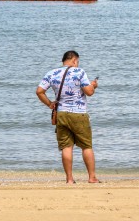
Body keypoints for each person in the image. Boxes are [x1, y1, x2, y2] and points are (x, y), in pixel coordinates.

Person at [36, 50, 99, 184]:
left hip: (61, 114)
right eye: (77, 62)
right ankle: (92, 177)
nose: (77, 64)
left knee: (66, 147)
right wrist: (93, 85)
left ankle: (69, 179)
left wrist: (50, 104)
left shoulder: (52, 73)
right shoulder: (80, 72)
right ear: (74, 60)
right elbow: (89, 92)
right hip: (78, 113)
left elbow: (39, 91)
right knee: (86, 146)